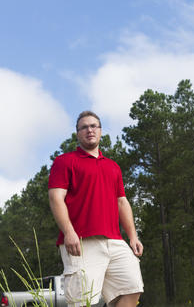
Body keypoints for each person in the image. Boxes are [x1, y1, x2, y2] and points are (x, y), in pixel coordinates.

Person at [48, 110, 144, 307]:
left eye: (93, 126)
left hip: (115, 241)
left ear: (100, 131)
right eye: (84, 127)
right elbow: (56, 197)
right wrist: (69, 232)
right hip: (81, 242)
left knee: (133, 288)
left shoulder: (113, 167)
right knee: (82, 302)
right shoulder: (65, 161)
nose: (89, 130)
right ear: (78, 133)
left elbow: (122, 202)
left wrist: (132, 236)